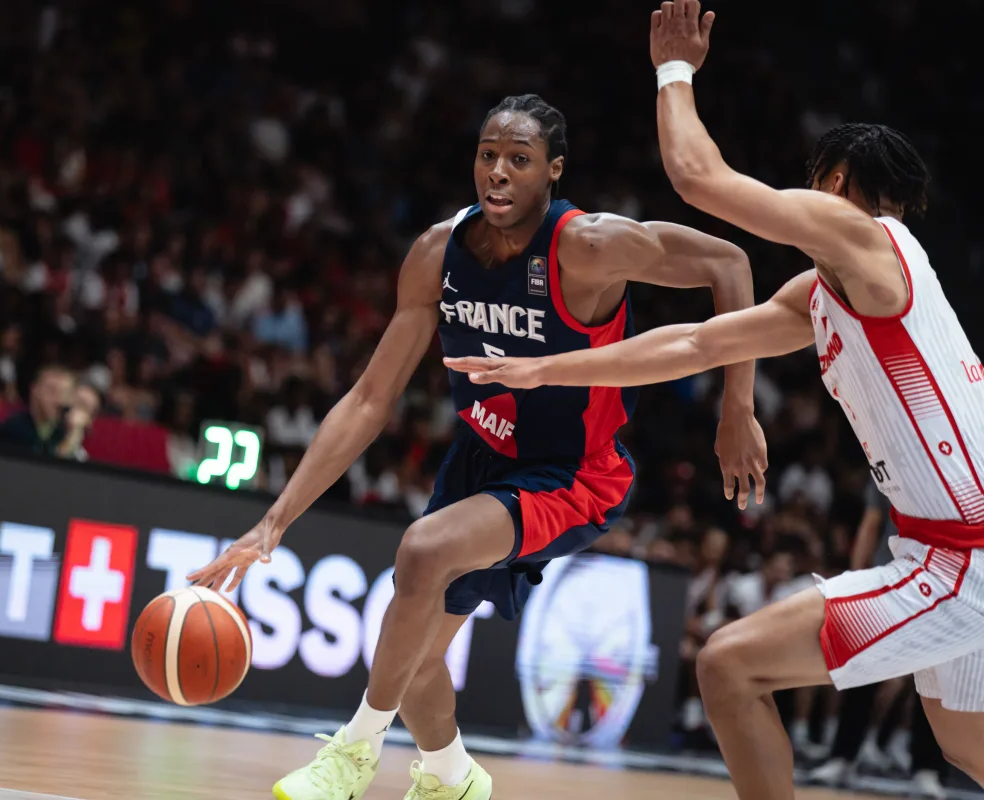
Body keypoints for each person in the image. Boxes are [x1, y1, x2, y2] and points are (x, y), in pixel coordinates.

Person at [444, 2, 984, 794]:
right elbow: (697, 343)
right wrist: (552, 367)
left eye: (813, 188)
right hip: (946, 547)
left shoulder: (869, 241)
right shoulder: (829, 292)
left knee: (729, 667)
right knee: (968, 746)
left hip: (961, 558)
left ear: (834, 186)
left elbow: (701, 179)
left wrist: (674, 71)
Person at [188, 93, 766, 800]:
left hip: (572, 474)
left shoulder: (587, 247)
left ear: (552, 172)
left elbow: (730, 264)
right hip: (480, 462)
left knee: (422, 552)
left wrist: (736, 408)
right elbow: (371, 398)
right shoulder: (438, 252)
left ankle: (354, 754)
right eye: (487, 155)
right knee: (416, 658)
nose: (497, 172)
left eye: (518, 160)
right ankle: (453, 778)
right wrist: (274, 521)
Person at [808, 482, 947, 798]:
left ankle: (928, 770)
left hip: (939, 584)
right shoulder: (885, 458)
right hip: (888, 579)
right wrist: (854, 582)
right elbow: (871, 523)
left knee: (935, 682)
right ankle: (843, 758)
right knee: (863, 673)